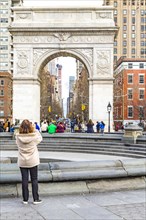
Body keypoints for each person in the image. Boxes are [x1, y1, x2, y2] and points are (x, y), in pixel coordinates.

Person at [16, 119, 42, 205]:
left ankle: (25, 199)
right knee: (34, 179)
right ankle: (36, 199)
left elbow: (17, 143)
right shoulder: (34, 136)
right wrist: (35, 129)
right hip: (33, 160)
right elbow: (40, 138)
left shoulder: (18, 136)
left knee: (24, 179)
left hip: (22, 161)